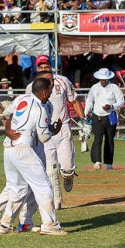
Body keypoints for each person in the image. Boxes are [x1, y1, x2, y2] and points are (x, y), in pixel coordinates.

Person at [0, 77, 67, 236]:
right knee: (43, 187)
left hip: (9, 148)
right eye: (49, 91)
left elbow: (6, 114)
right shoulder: (40, 108)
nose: (50, 94)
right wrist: (54, 131)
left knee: (18, 189)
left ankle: (5, 225)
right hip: (24, 148)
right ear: (44, 92)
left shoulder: (22, 98)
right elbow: (44, 137)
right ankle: (50, 225)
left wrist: (7, 130)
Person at [28, 55, 85, 203]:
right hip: (45, 130)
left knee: (67, 169)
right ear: (37, 69)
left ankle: (68, 177)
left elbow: (74, 101)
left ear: (50, 66)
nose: (44, 69)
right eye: (41, 67)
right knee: (50, 169)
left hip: (63, 128)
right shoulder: (32, 86)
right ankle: (56, 200)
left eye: (46, 66)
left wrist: (84, 121)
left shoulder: (63, 81)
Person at [84, 68, 125, 171]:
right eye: (101, 79)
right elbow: (89, 101)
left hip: (110, 116)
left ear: (108, 79)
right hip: (97, 116)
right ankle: (97, 161)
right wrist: (85, 113)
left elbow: (121, 101)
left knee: (109, 140)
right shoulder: (94, 88)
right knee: (97, 139)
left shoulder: (114, 87)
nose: (103, 81)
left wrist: (111, 106)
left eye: (105, 79)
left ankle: (109, 163)